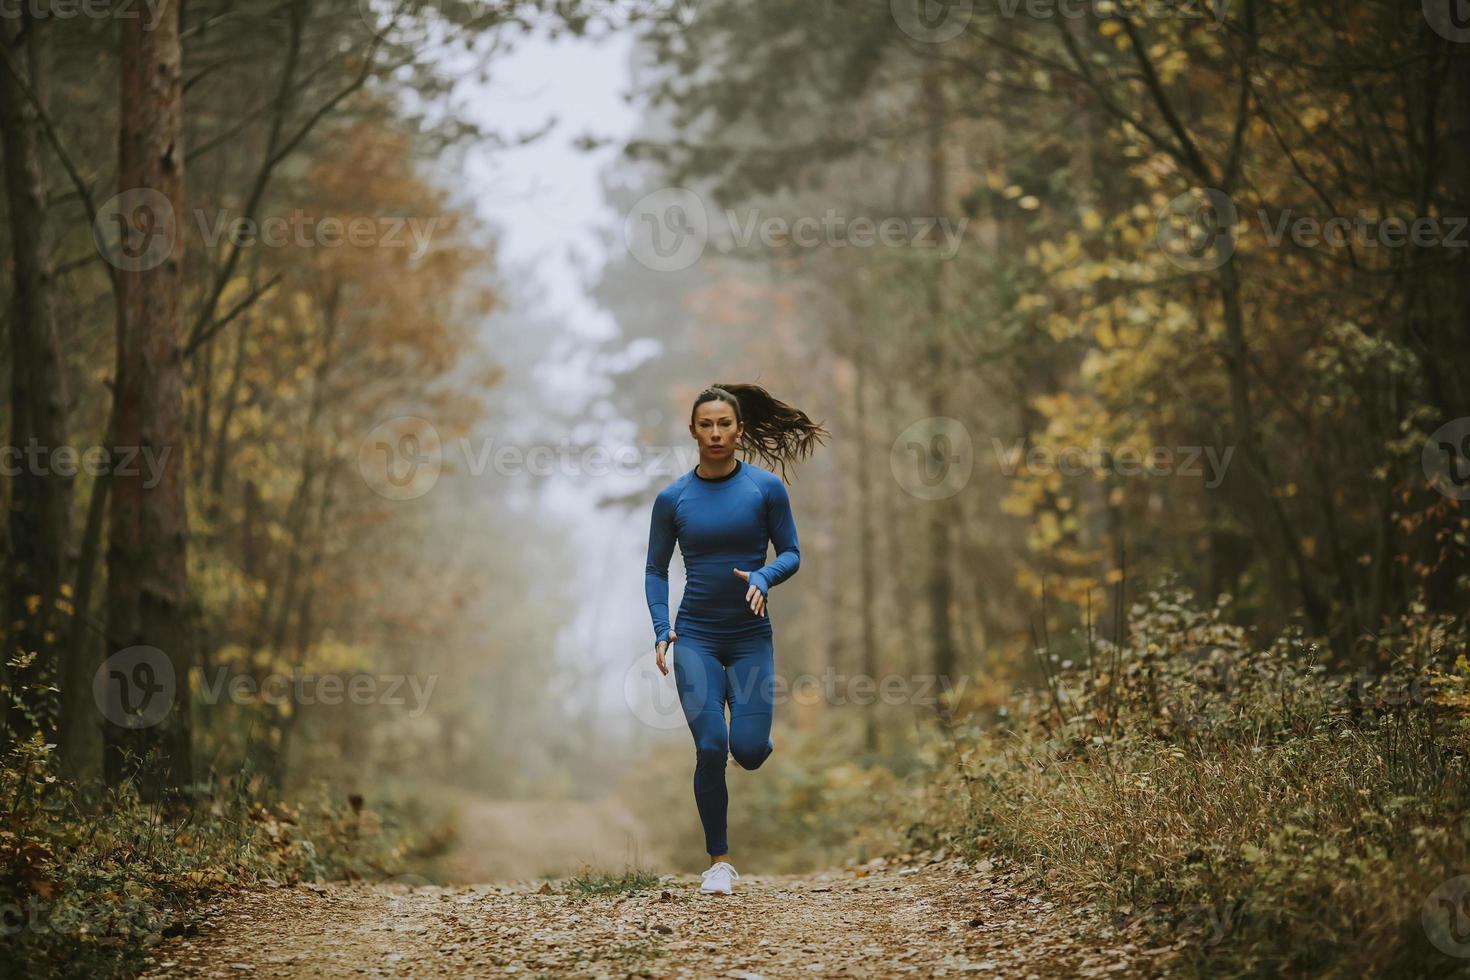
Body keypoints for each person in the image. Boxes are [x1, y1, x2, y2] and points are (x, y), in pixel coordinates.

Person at [643, 382, 828, 895]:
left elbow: (791, 552)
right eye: (707, 424)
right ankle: (719, 861)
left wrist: (765, 577)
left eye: (725, 424)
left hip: (750, 639)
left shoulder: (766, 489)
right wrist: (663, 630)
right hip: (696, 636)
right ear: (693, 431)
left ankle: (751, 730)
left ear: (740, 431)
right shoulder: (673, 498)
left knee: (746, 751)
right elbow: (656, 570)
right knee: (709, 747)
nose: (716, 433)